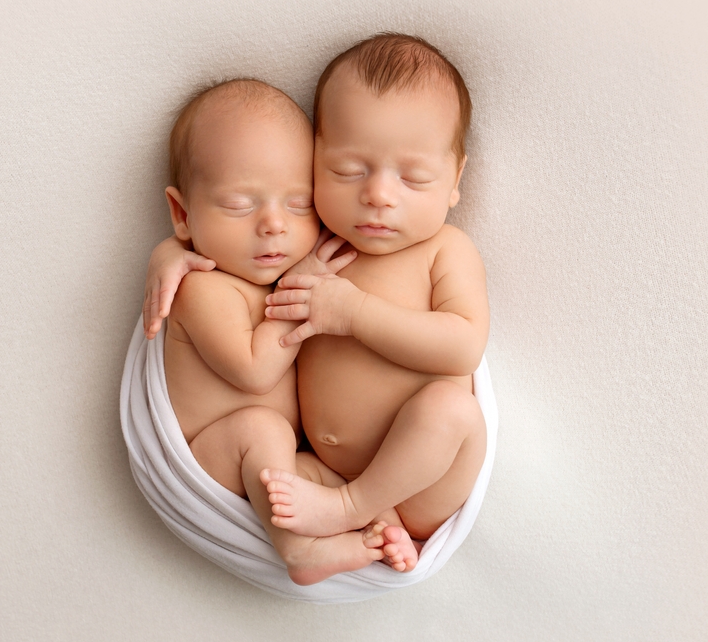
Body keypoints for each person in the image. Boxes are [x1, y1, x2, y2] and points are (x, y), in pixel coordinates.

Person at [145, 34, 489, 573]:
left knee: (452, 411)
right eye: (347, 172)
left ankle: (357, 510)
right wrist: (173, 251)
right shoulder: (317, 239)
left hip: (421, 479)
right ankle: (354, 529)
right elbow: (237, 245)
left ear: (455, 180)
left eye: (414, 177)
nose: (377, 194)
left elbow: (464, 346)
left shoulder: (444, 250)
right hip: (320, 475)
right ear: (315, 161)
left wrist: (355, 313)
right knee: (271, 470)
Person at [155, 77, 406, 585]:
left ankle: (386, 532)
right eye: (241, 204)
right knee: (262, 429)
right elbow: (255, 370)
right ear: (183, 215)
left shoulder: (285, 270)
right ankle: (301, 553)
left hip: (275, 464)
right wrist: (306, 280)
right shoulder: (204, 289)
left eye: (298, 205)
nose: (274, 225)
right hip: (218, 457)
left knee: (337, 488)